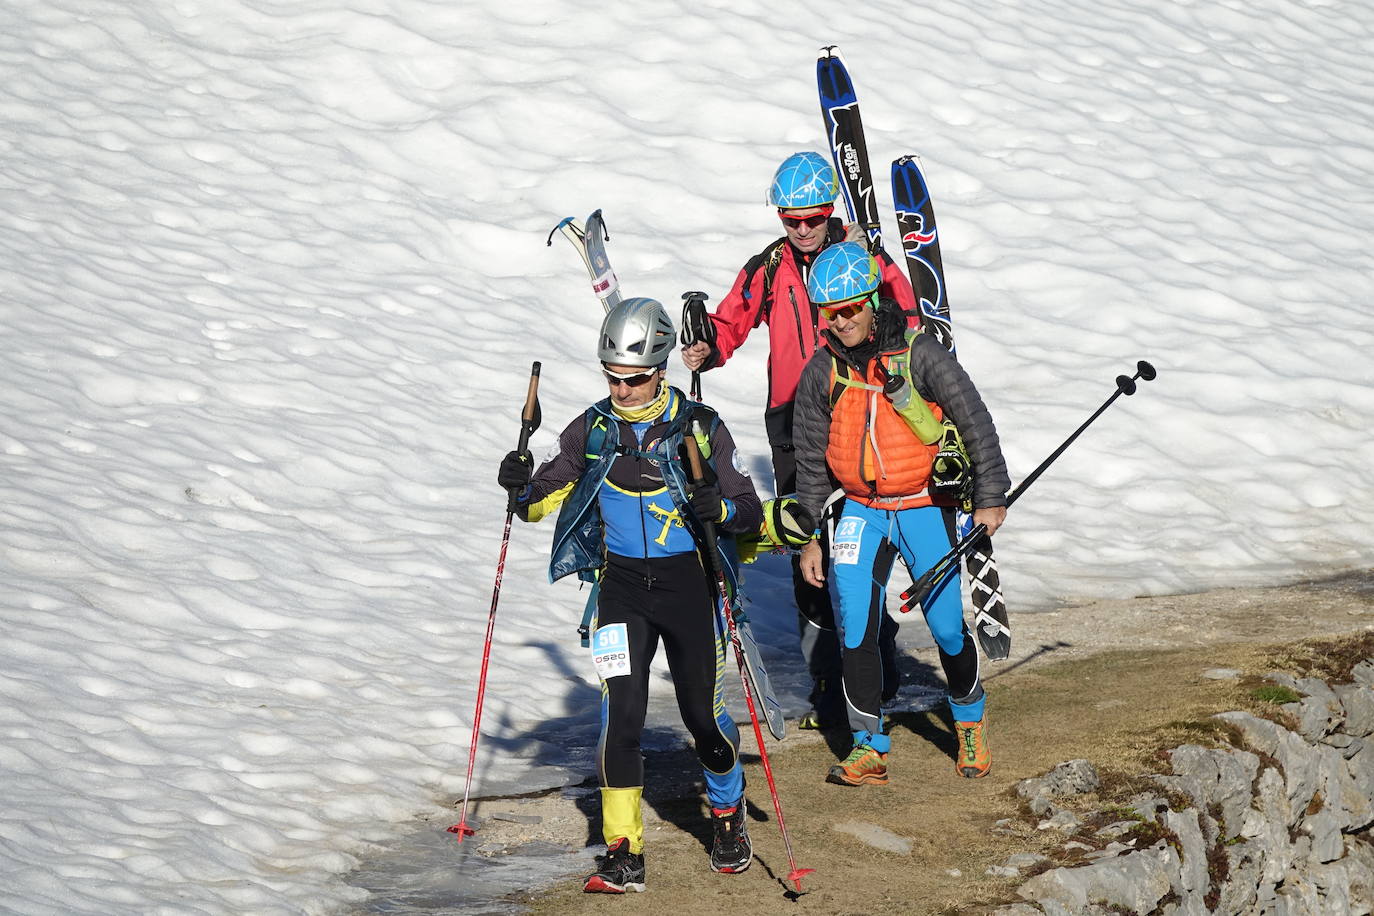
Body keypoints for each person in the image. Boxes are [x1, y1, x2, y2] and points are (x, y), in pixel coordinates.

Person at [497, 297, 764, 893]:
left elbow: (747, 510)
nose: (622, 388)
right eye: (612, 377)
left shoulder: (700, 426)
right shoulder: (592, 429)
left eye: (635, 379)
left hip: (688, 589)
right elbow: (541, 497)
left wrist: (717, 507)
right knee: (622, 718)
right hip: (620, 591)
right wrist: (518, 484)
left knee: (703, 717)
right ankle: (623, 850)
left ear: (662, 369)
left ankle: (726, 814)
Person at [681, 151, 918, 730]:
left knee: (864, 534)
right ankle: (826, 685)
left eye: (813, 218)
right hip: (791, 419)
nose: (804, 230)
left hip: (861, 406)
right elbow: (732, 320)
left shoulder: (864, 253)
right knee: (803, 539)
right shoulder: (769, 265)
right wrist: (706, 346)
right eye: (792, 220)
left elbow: (908, 317)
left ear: (830, 210)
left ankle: (875, 659)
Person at [791, 242, 1010, 787]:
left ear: (872, 301)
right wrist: (813, 535)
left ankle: (969, 717)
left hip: (920, 506)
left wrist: (991, 496)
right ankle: (868, 746)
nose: (840, 322)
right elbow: (811, 462)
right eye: (829, 313)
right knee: (855, 627)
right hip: (860, 511)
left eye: (849, 309)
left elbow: (974, 420)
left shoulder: (920, 354)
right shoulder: (822, 371)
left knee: (944, 625)